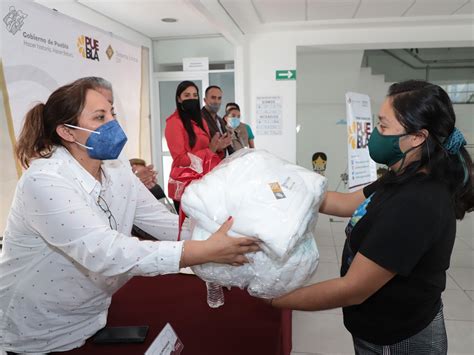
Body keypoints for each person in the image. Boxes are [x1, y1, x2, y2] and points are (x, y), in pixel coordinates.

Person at [0, 79, 260, 354]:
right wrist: (202, 251)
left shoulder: (116, 169)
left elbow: (163, 222)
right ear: (67, 131)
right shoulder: (43, 181)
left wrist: (225, 234)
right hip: (33, 332)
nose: (113, 123)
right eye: (100, 117)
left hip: (92, 318)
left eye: (112, 113)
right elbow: (106, 252)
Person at [269, 80, 473, 354]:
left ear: (417, 137)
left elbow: (352, 288)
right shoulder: (403, 174)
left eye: (383, 126)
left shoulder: (417, 203)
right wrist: (282, 190)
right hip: (377, 327)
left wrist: (274, 300)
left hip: (399, 339)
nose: (374, 134)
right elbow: (345, 202)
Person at [165, 81, 231, 212]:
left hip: (205, 181)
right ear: (179, 98)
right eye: (187, 95)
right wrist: (210, 150)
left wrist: (218, 147)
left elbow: (209, 151)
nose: (192, 98)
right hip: (186, 185)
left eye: (195, 95)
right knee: (191, 230)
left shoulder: (199, 121)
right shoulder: (174, 122)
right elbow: (180, 159)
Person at [201, 85, 234, 157]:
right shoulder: (199, 119)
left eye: (219, 98)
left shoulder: (220, 120)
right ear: (205, 100)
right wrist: (216, 147)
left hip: (222, 164)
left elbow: (226, 144)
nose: (216, 101)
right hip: (208, 163)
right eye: (213, 98)